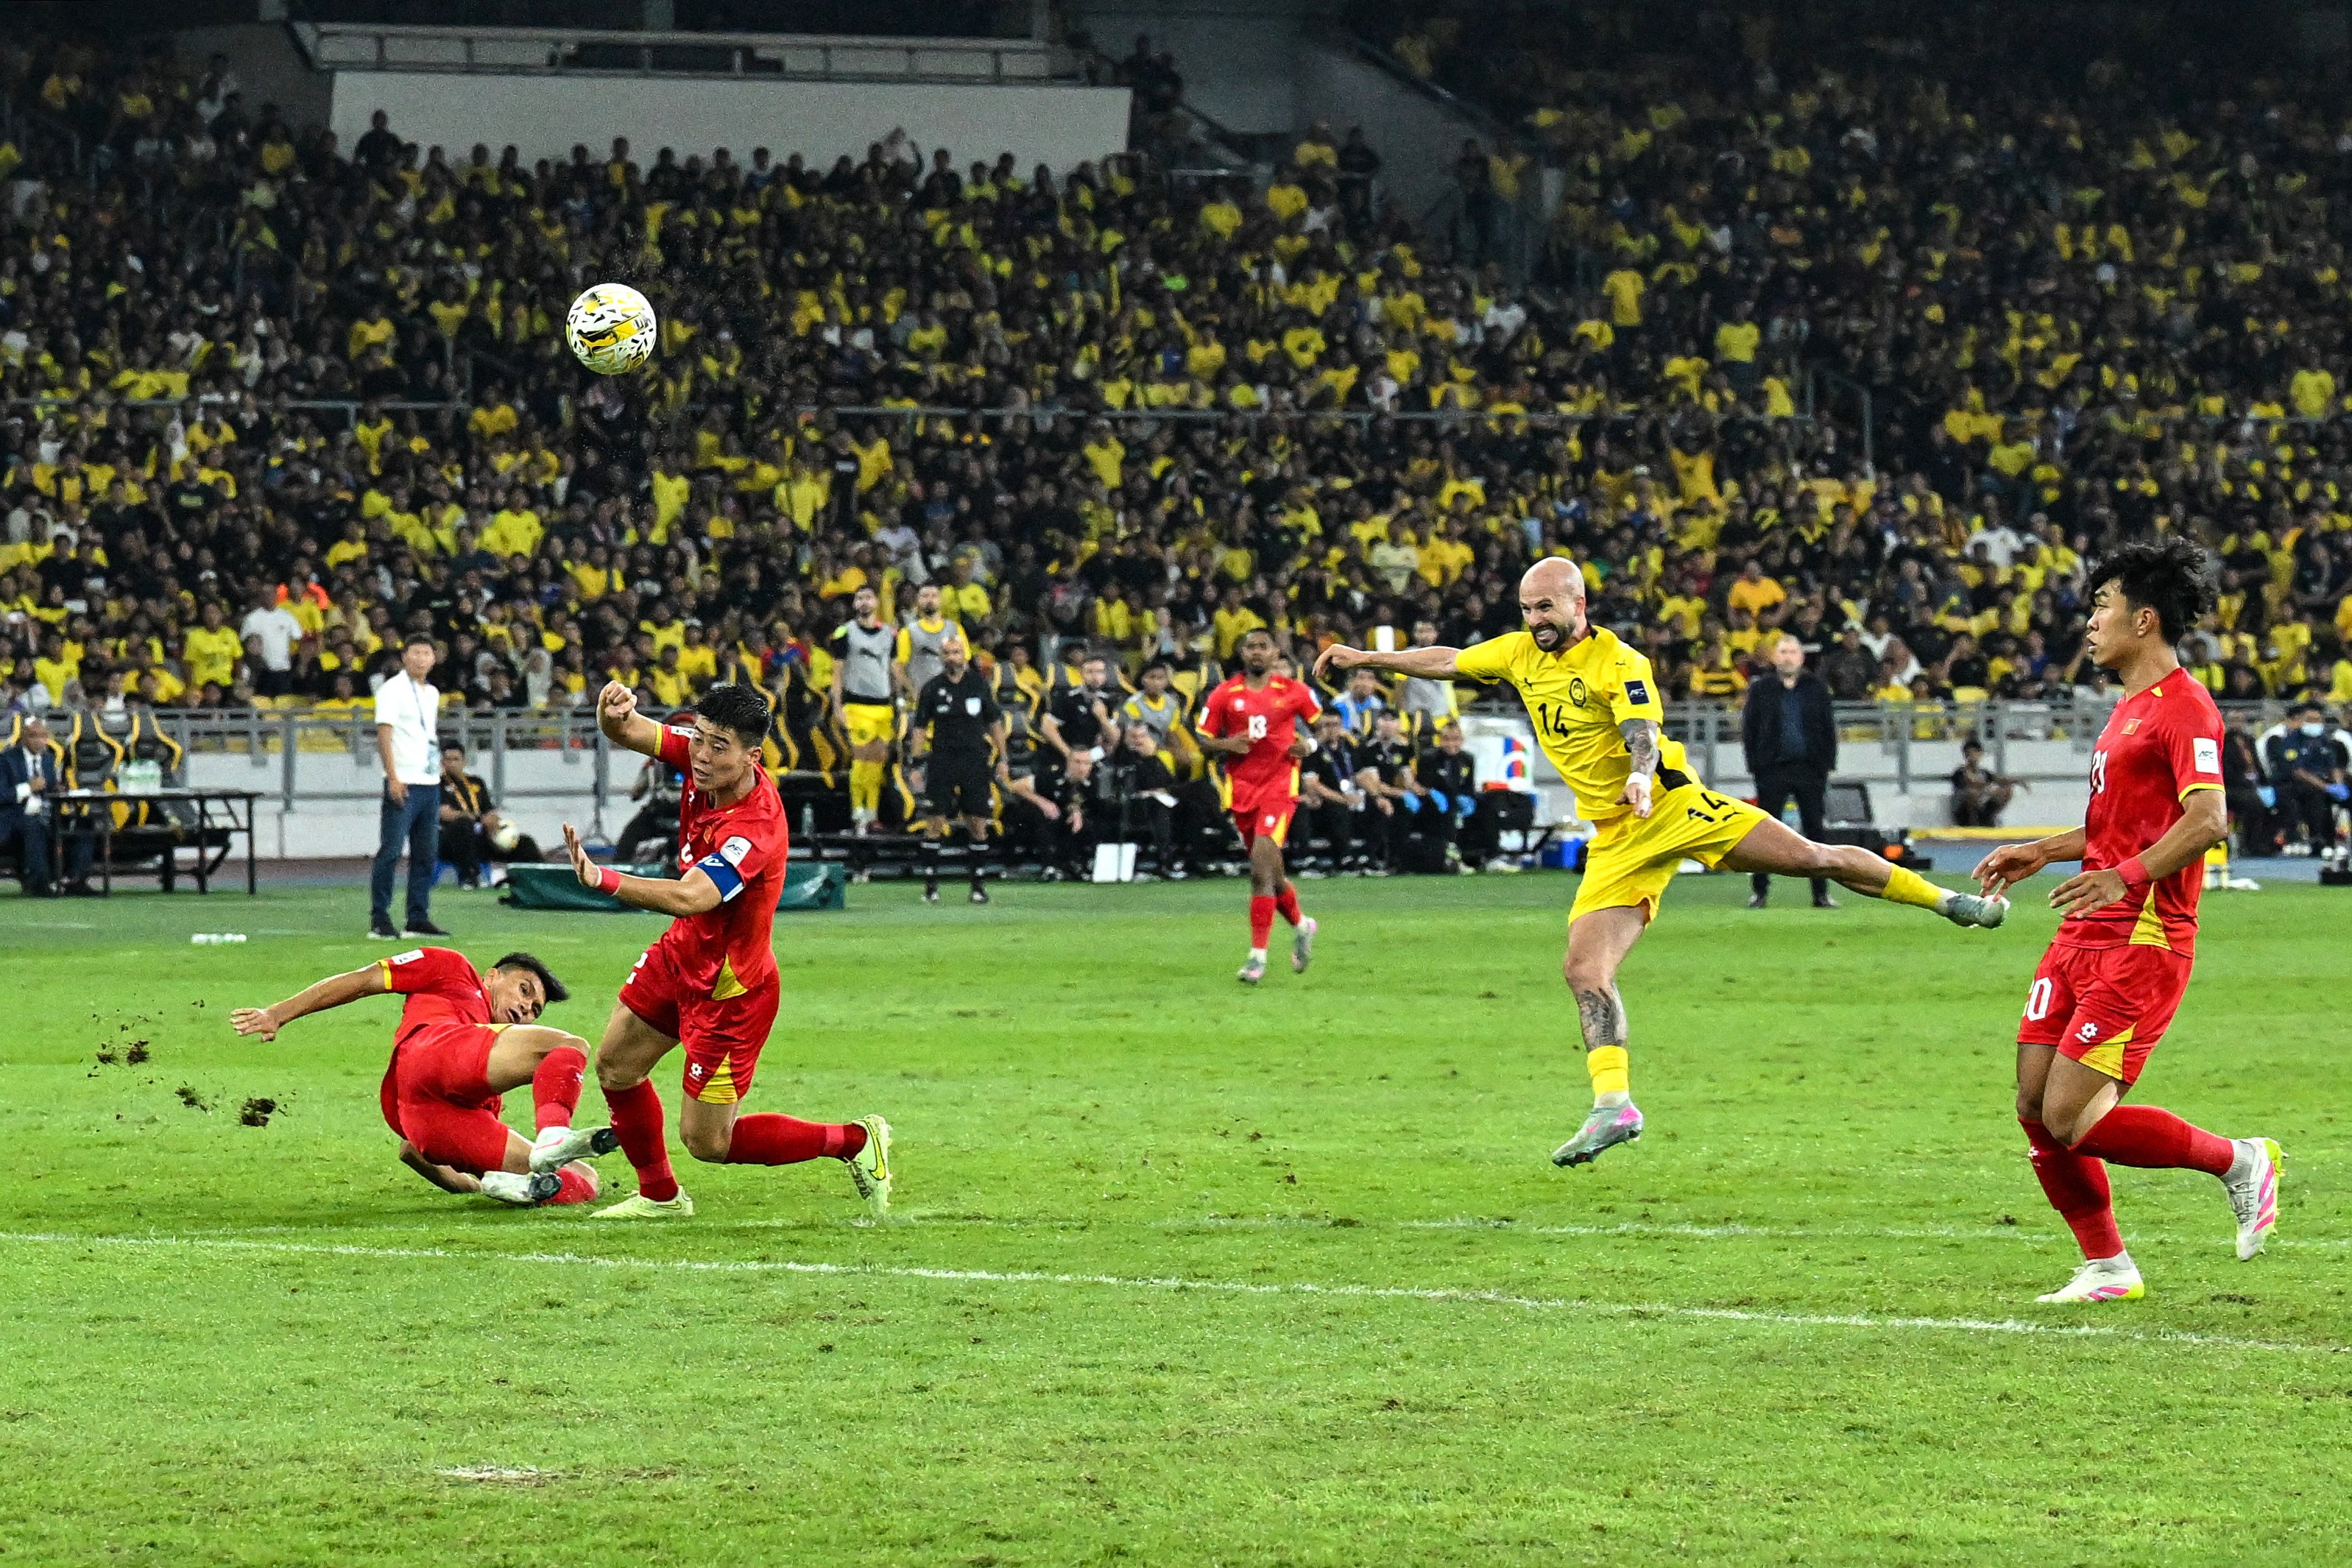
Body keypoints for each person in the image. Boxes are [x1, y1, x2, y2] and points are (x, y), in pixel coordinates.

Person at [1316, 557, 2008, 1168]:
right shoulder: (1519, 653)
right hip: (1616, 839)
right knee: (1583, 970)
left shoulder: (1619, 660)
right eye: (1527, 609)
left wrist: (1641, 774)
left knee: (1812, 857)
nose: (1536, 620)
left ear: (1579, 604)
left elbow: (1639, 728)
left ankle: (1950, 903)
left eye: (1547, 607)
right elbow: (1447, 659)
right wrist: (1366, 659)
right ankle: (1613, 1105)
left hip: (1669, 806)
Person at [1972, 538, 2281, 1304]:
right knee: (2033, 1105)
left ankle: (2239, 1161)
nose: (2090, 621)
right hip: (2087, 925)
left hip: (2143, 937)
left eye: (2102, 606)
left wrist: (2125, 876)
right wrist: (2041, 848)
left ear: (2144, 620)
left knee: (2074, 1116)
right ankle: (2107, 1266)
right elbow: (2116, 824)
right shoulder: (2128, 711)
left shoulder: (2185, 710)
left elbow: (2208, 820)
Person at [559, 681, 889, 1221]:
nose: (703, 755)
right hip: (681, 956)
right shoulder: (698, 758)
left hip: (730, 989)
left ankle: (854, 1140)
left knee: (708, 1141)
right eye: (700, 739)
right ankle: (661, 1197)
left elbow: (693, 896)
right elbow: (627, 729)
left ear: (750, 756)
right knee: (616, 1065)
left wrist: (604, 880)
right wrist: (608, 712)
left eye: (719, 746)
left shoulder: (754, 826)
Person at [230, 947, 608, 1207]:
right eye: (524, 991)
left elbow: (414, 1150)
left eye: (535, 1009)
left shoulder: (489, 1090)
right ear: (491, 976)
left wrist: (477, 1185)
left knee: (585, 1180)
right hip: (430, 1055)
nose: (526, 1008)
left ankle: (522, 1187)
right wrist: (279, 1013)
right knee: (568, 1047)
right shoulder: (452, 969)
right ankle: (554, 1135)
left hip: (428, 1121)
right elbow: (362, 981)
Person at [1196, 627, 1320, 983]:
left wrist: (1307, 748)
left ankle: (1257, 957)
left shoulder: (1293, 691)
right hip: (1243, 791)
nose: (1256, 653)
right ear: (1242, 652)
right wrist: (1226, 745)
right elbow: (1203, 740)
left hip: (1281, 787)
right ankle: (1302, 925)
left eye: (1263, 646)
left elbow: (1326, 727)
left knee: (1258, 872)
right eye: (1250, 646)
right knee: (1273, 876)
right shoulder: (1224, 694)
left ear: (1275, 652)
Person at [1740, 634, 1839, 908]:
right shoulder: (1761, 689)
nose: (1787, 657)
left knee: (1815, 831)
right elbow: (1750, 730)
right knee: (1765, 831)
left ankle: (1820, 893)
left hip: (1810, 769)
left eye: (1792, 652)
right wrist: (1756, 764)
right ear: (1774, 657)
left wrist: (1825, 764)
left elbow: (1827, 729)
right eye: (1783, 652)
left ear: (1801, 657)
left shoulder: (1816, 688)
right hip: (1772, 769)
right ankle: (1760, 892)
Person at [910, 629, 1002, 904]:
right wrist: (915, 763)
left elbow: (994, 721)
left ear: (966, 655)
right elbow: (919, 727)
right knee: (935, 819)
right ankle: (930, 885)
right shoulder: (932, 688)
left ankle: (977, 886)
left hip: (974, 760)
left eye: (957, 652)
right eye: (948, 653)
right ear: (942, 657)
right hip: (942, 760)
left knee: (978, 821)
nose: (953, 657)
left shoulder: (978, 685)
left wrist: (1004, 758)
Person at [371, 633, 448, 941]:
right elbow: (385, 733)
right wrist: (393, 776)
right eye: (414, 652)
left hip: (429, 781)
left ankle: (417, 916)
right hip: (403, 781)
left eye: (426, 653)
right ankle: (380, 918)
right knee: (391, 851)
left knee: (426, 853)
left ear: (434, 658)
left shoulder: (431, 693)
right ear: (404, 657)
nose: (420, 658)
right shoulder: (392, 690)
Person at [829, 587, 897, 836]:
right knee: (861, 759)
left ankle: (873, 815)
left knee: (877, 762)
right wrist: (837, 705)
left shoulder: (890, 634)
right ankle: (858, 815)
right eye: (860, 598)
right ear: (855, 604)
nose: (864, 602)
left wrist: (900, 700)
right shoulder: (845, 633)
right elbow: (837, 672)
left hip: (884, 706)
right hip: (857, 704)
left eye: (868, 597)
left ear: (876, 602)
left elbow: (892, 669)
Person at [0, 718, 92, 896]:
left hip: (47, 815)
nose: (40, 741)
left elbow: (48, 790)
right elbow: (2, 794)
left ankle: (74, 880)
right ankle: (39, 884)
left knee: (85, 823)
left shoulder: (49, 759)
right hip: (15, 818)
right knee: (33, 826)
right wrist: (28, 787)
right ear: (23, 737)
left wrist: (59, 789)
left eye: (43, 736)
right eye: (34, 736)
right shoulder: (6, 760)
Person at [437, 741, 542, 889]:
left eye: (456, 759)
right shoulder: (436, 785)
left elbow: (489, 811)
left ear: (464, 762)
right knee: (463, 826)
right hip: (451, 842)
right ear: (442, 763)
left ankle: (539, 880)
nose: (453, 764)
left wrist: (493, 820)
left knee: (524, 842)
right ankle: (470, 877)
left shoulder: (477, 783)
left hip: (481, 839)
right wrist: (475, 818)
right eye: (448, 760)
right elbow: (445, 815)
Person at [2261, 702, 2348, 855]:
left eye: (2317, 720)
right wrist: (2326, 787)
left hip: (2321, 782)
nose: (2314, 724)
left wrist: (2338, 784)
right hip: (2292, 784)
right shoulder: (2291, 741)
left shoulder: (2324, 741)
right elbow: (2297, 772)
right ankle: (2317, 839)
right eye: (2310, 720)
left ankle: (2333, 840)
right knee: (2314, 794)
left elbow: (2333, 766)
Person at [894, 582, 964, 705]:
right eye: (925, 596)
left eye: (934, 596)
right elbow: (897, 668)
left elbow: (964, 664)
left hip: (950, 701)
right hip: (920, 704)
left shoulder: (955, 629)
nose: (930, 600)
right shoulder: (908, 632)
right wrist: (913, 691)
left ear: (940, 600)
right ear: (918, 600)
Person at [1949, 739, 2021, 827]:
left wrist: (2015, 781)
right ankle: (1973, 824)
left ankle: (1989, 819)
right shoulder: (1960, 772)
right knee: (1973, 793)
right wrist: (1989, 790)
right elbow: (1972, 782)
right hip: (1963, 811)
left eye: (1975, 752)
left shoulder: (1984, 773)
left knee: (2005, 791)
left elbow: (1999, 780)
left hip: (1981, 807)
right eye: (1969, 753)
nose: (1972, 756)